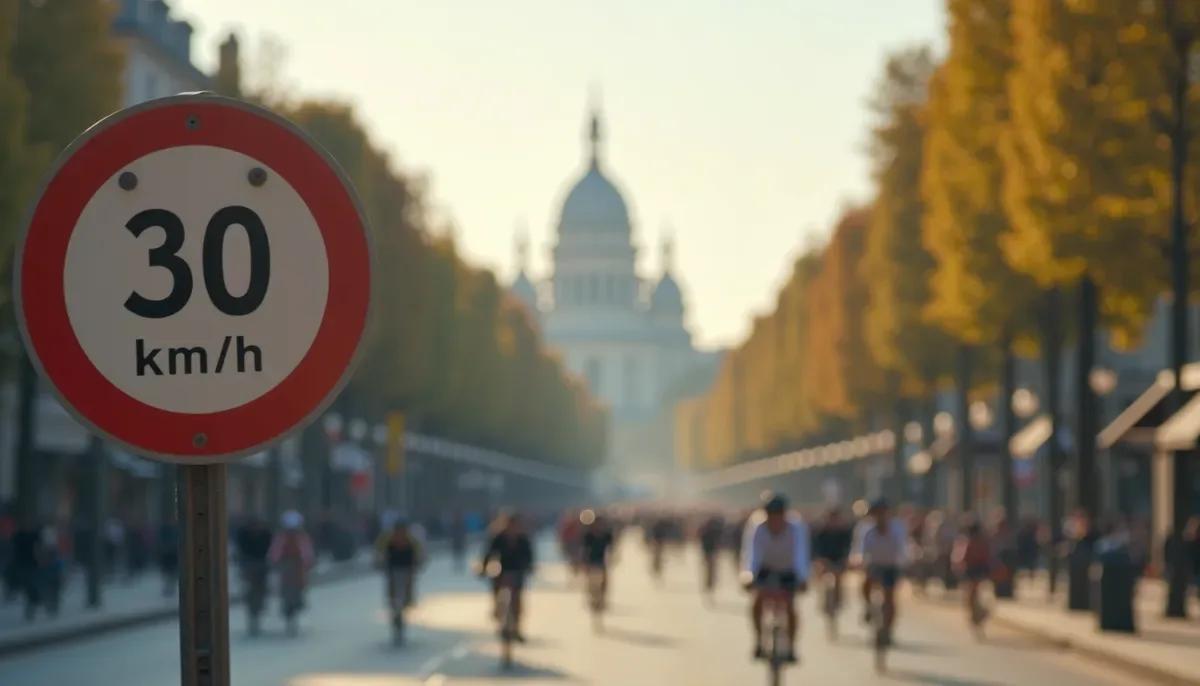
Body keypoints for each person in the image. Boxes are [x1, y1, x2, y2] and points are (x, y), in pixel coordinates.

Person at [741, 493, 810, 663]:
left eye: (778, 514)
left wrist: (802, 578)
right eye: (771, 514)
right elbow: (751, 554)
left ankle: (792, 646)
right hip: (765, 569)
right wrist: (748, 575)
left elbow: (801, 555)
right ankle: (758, 640)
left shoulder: (797, 527)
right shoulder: (757, 526)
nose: (775, 519)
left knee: (790, 606)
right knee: (757, 601)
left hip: (788, 570)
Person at [851, 498, 907, 642]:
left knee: (889, 598)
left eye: (882, 513)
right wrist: (858, 561)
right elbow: (860, 551)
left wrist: (904, 563)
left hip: (891, 566)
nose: (879, 517)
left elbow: (903, 550)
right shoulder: (866, 529)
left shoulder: (898, 528)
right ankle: (868, 606)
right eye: (876, 513)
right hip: (874, 565)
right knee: (865, 584)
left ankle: (888, 629)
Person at [479, 511, 535, 641]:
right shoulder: (498, 538)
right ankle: (497, 609)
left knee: (517, 599)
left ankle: (517, 627)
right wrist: (483, 568)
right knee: (496, 588)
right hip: (502, 571)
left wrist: (529, 567)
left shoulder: (523, 539)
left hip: (517, 571)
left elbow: (529, 557)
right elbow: (489, 554)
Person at [270, 510, 315, 635]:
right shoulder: (282, 537)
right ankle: (288, 612)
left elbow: (307, 552)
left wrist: (308, 563)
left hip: (298, 568)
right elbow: (275, 552)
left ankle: (295, 609)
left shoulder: (302, 538)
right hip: (287, 568)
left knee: (298, 589)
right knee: (286, 591)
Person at [374, 514, 423, 624]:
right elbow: (379, 550)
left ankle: (402, 606)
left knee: (406, 589)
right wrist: (378, 561)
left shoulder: (411, 538)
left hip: (406, 569)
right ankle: (396, 608)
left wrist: (419, 562)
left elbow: (419, 552)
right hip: (393, 569)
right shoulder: (388, 537)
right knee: (394, 590)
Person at [951, 518, 993, 629]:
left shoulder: (973, 541)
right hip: (971, 569)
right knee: (971, 595)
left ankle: (979, 614)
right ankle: (977, 615)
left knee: (972, 594)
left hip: (975, 569)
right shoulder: (967, 541)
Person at [235, 516, 274, 635]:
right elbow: (241, 550)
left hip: (261, 565)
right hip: (249, 565)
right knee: (250, 591)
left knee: (261, 590)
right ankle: (252, 613)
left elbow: (270, 549)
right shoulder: (243, 534)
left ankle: (259, 609)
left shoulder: (266, 534)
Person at [811, 507, 853, 612]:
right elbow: (816, 549)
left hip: (839, 560)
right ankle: (822, 598)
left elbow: (848, 549)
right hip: (825, 560)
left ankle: (839, 599)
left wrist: (844, 559)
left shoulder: (844, 532)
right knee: (820, 573)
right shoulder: (821, 532)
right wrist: (821, 560)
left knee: (839, 576)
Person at [578, 509, 615, 609]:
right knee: (591, 583)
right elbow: (584, 549)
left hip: (601, 562)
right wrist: (583, 563)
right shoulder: (588, 535)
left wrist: (612, 556)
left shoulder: (606, 534)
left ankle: (601, 599)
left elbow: (611, 547)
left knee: (604, 582)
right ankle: (592, 598)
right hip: (591, 562)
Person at [698, 513, 725, 592]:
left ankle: (709, 583)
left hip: (710, 553)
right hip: (709, 553)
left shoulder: (709, 532)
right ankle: (709, 583)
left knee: (710, 570)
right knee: (710, 569)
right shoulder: (710, 532)